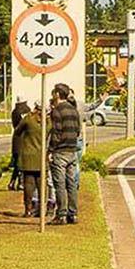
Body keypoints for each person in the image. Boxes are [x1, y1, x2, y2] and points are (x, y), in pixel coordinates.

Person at [48, 84, 82, 225]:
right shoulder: (74, 110)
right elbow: (78, 130)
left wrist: (50, 150)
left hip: (60, 151)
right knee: (71, 183)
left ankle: (61, 214)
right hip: (72, 150)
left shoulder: (57, 111)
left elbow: (56, 132)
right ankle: (72, 213)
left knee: (59, 184)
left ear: (57, 94)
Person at [13, 103, 43, 217]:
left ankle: (28, 209)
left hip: (28, 155)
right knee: (42, 184)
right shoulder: (48, 121)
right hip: (42, 156)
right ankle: (41, 209)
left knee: (28, 184)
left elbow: (17, 131)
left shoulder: (28, 119)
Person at [8, 98, 30, 191]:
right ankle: (20, 183)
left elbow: (15, 126)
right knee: (22, 163)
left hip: (17, 139)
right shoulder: (27, 110)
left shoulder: (14, 112)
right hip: (25, 139)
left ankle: (12, 182)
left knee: (17, 162)